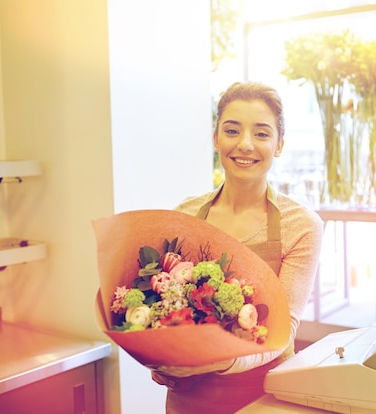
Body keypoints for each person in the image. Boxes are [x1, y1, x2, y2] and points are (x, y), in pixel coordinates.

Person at [151, 81, 324, 413]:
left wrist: (212, 363)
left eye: (261, 134)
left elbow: (282, 331)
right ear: (216, 139)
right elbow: (164, 309)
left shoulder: (300, 224)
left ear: (279, 145)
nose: (245, 145)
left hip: (268, 396)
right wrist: (162, 358)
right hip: (189, 398)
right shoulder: (184, 215)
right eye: (232, 131)